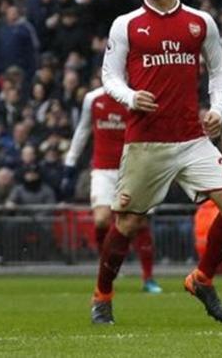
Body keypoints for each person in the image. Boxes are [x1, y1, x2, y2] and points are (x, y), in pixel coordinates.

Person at [92, 0, 222, 325]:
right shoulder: (125, 24)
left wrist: (218, 110)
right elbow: (109, 75)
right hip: (146, 142)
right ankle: (102, 295)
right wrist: (129, 96)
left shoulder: (199, 22)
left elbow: (220, 70)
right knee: (126, 224)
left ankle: (202, 279)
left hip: (192, 138)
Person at [62, 84, 161, 293]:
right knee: (101, 220)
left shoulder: (137, 97)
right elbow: (83, 129)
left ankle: (148, 278)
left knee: (139, 223)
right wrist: (70, 161)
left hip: (133, 168)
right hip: (103, 170)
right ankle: (106, 269)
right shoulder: (93, 98)